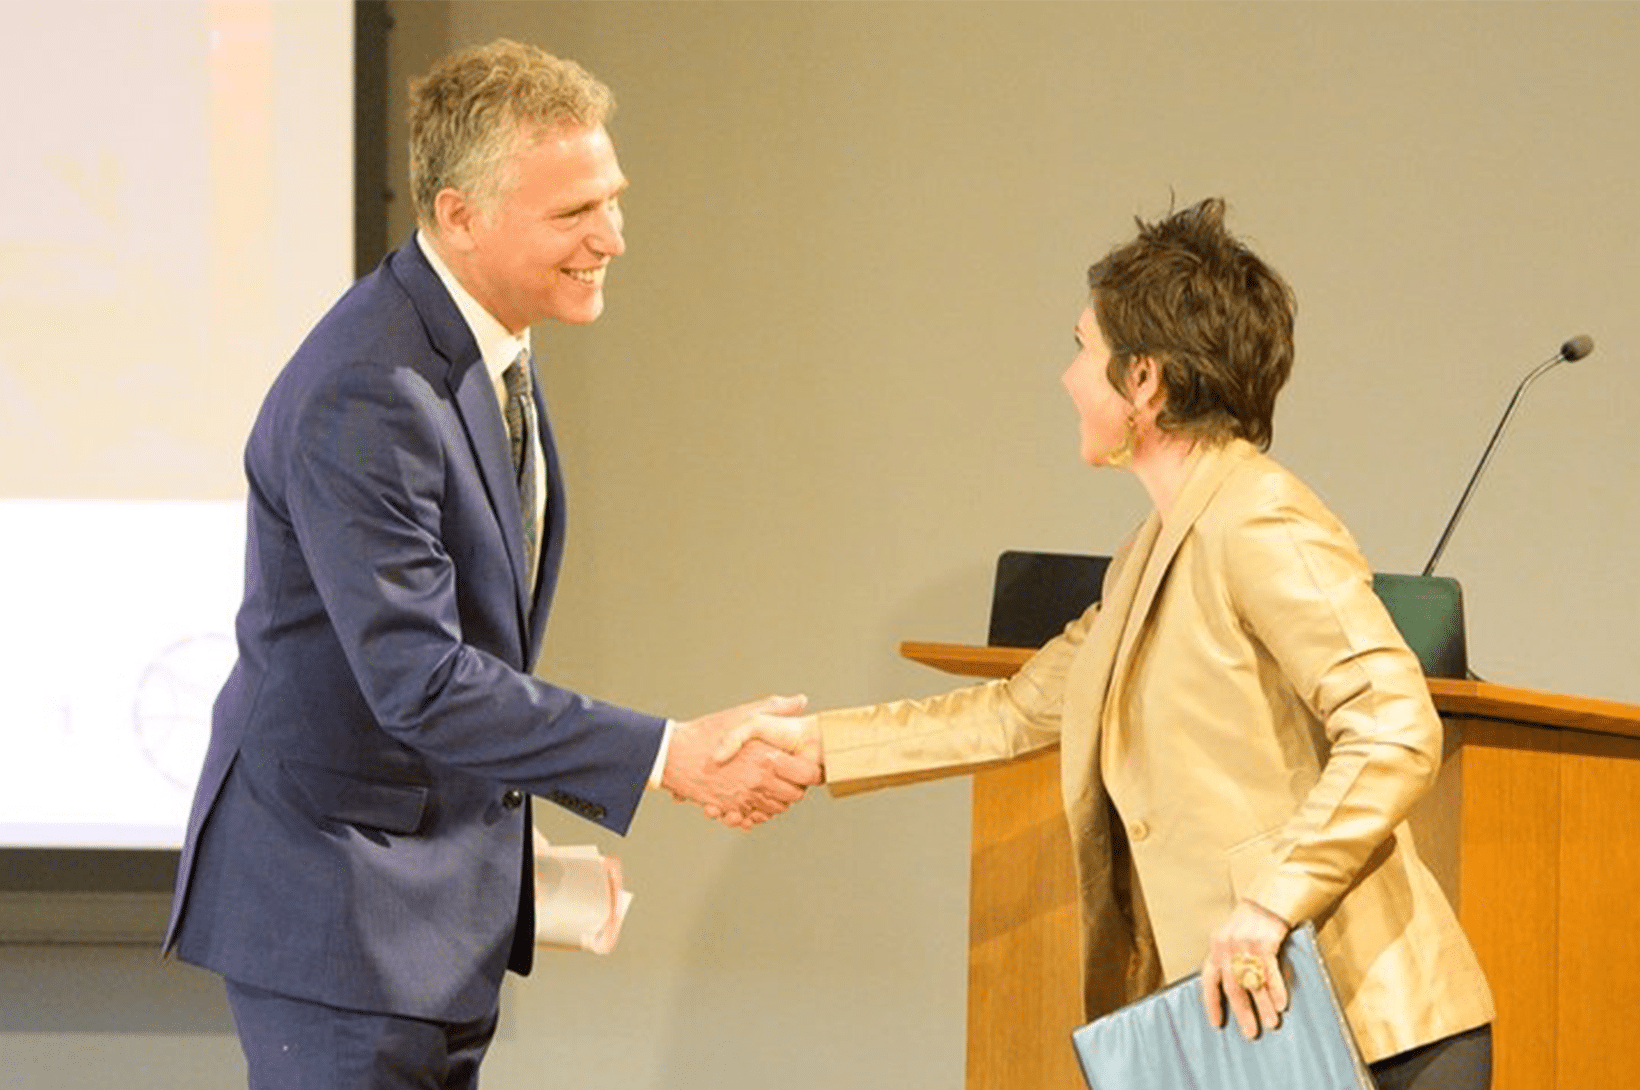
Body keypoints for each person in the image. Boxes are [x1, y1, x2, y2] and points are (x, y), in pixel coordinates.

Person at [723, 199, 1496, 1089]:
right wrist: (813, 748)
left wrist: (1272, 900)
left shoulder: (1260, 516)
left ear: (1145, 383)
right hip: (1256, 1033)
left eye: (1085, 349)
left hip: (1367, 1035)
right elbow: (1018, 707)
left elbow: (1395, 726)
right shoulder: (1151, 551)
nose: (1067, 377)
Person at [164, 39, 818, 1089]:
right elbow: (418, 679)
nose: (611, 236)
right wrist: (670, 755)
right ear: (460, 215)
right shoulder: (370, 389)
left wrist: (519, 850)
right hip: (343, 927)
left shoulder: (480, 342)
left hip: (423, 919)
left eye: (612, 198)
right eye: (573, 214)